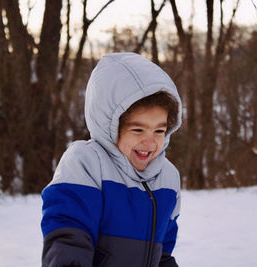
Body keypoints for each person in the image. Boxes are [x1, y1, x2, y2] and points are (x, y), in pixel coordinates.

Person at [41, 52, 182, 267]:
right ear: (111, 126)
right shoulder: (87, 164)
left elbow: (162, 255)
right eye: (137, 129)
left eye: (159, 130)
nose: (150, 142)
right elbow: (68, 243)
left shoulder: (168, 177)